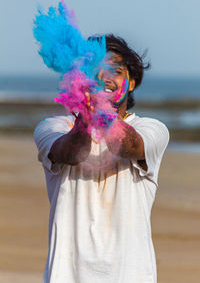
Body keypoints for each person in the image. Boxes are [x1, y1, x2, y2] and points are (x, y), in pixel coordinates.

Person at [34, 34, 169, 283]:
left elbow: (127, 145)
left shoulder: (153, 129)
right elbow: (73, 152)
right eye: (93, 70)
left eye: (115, 71)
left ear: (131, 82)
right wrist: (88, 115)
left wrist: (102, 109)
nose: (104, 77)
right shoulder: (53, 127)